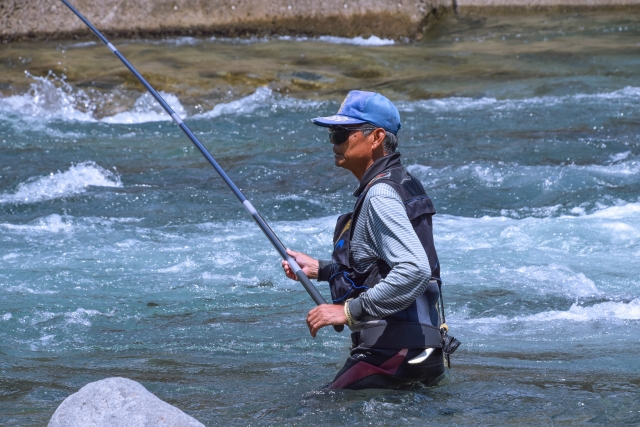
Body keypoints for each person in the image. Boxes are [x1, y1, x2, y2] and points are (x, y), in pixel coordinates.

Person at [282, 90, 447, 390]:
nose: (334, 142)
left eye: (342, 133)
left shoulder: (380, 195)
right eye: (333, 134)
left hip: (391, 355)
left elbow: (414, 270)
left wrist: (347, 311)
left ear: (376, 137)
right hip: (423, 352)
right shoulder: (403, 182)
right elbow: (378, 266)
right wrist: (321, 270)